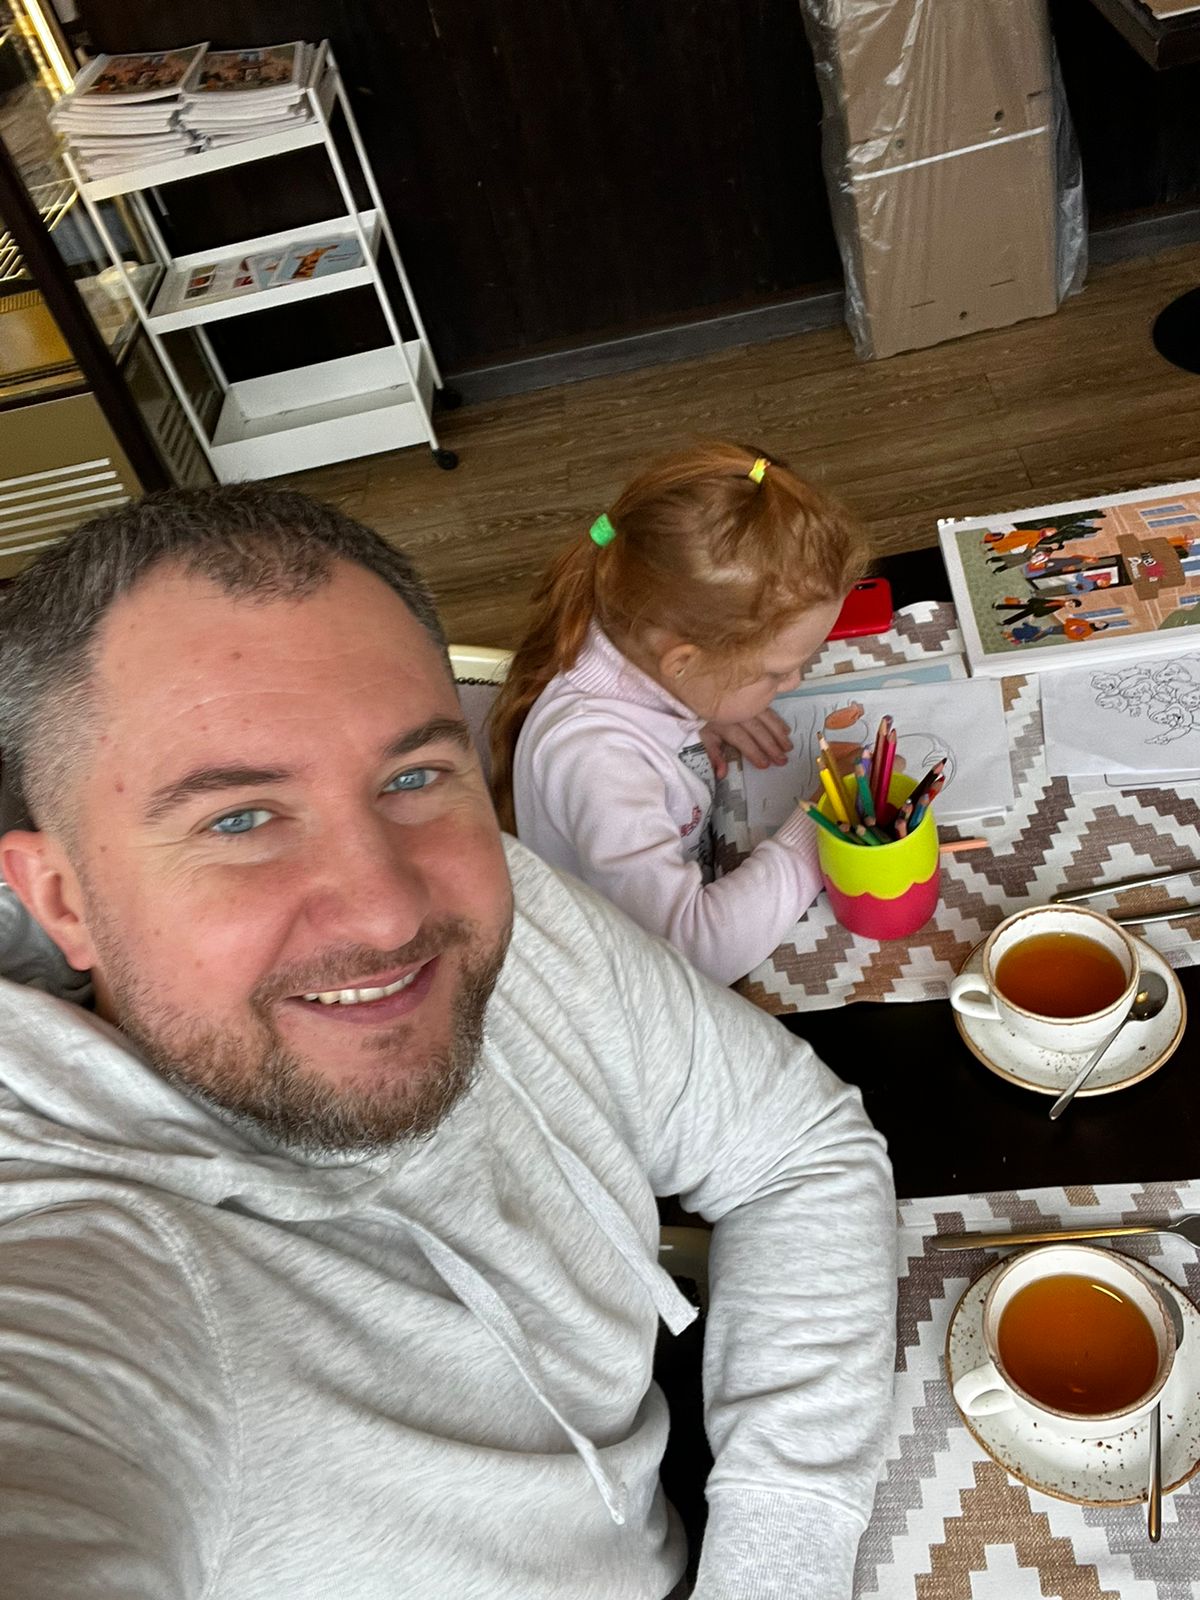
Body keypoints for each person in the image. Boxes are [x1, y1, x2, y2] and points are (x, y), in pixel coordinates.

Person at [0, 485, 895, 1600]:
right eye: (239, 818)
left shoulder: (504, 897)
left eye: (413, 776)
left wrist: (778, 1558)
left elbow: (800, 1146)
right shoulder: (73, 1275)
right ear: (61, 899)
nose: (387, 914)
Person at [489, 443, 867, 985]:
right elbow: (696, 954)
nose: (794, 683)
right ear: (683, 662)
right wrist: (820, 825)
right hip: (621, 992)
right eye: (776, 672)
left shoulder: (632, 636)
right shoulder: (598, 762)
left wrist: (705, 708)